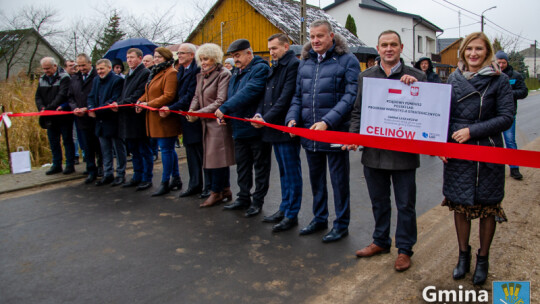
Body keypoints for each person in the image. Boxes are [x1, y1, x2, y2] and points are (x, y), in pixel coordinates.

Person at [347, 30, 426, 271]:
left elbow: (429, 111)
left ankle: (404, 249)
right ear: (378, 48)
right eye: (384, 45)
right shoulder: (367, 76)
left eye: (393, 44)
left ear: (401, 47)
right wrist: (353, 135)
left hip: (404, 153)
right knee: (379, 201)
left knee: (405, 204)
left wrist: (417, 90)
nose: (389, 48)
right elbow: (358, 110)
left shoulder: (418, 76)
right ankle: (380, 241)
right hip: (374, 152)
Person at [441, 32, 514, 285]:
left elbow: (506, 117)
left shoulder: (500, 80)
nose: (473, 54)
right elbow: (440, 115)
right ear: (462, 52)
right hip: (458, 151)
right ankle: (463, 256)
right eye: (469, 49)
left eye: (479, 49)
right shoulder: (452, 79)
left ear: (487, 53)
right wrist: (442, 143)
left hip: (488, 150)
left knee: (487, 207)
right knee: (460, 205)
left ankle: (483, 258)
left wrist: (473, 131)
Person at [285, 20, 359, 243]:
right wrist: (292, 117)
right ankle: (319, 219)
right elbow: (298, 96)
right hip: (310, 132)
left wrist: (328, 121)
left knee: (339, 182)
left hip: (335, 133)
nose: (315, 40)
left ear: (331, 36)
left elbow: (351, 96)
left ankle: (341, 224)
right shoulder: (305, 62)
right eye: (312, 36)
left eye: (320, 36)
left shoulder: (348, 61)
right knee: (316, 179)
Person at [252, 33, 302, 232]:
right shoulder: (275, 66)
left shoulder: (293, 65)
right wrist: (258, 114)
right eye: (270, 49)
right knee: (283, 173)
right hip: (273, 126)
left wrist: (266, 118)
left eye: (274, 48)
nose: (271, 52)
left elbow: (285, 97)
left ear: (286, 47)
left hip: (285, 127)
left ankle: (292, 214)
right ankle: (284, 208)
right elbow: (266, 95)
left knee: (292, 173)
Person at [215, 39, 271, 217]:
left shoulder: (260, 69)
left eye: (238, 55)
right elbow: (232, 95)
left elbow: (250, 91)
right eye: (233, 56)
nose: (235, 59)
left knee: (260, 167)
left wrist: (224, 109)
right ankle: (243, 197)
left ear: (249, 53)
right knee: (242, 166)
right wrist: (226, 115)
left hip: (255, 127)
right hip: (239, 127)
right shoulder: (237, 73)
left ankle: (257, 201)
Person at [187, 43, 235, 207]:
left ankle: (216, 192)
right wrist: (192, 110)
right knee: (213, 158)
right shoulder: (201, 75)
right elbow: (196, 96)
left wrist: (198, 113)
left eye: (206, 58)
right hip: (205, 123)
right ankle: (225, 189)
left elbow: (221, 100)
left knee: (217, 159)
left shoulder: (223, 74)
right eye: (201, 59)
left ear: (214, 58)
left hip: (217, 123)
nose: (204, 62)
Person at [162, 43, 210, 198]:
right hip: (184, 117)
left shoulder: (196, 70)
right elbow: (178, 94)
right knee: (190, 153)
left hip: (194, 116)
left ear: (191, 55)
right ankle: (194, 184)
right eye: (178, 53)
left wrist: (171, 108)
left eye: (182, 53)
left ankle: (206, 186)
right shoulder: (181, 70)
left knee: (200, 154)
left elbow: (190, 95)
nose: (179, 55)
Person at [136, 47, 181, 197]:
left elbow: (169, 95)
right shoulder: (155, 73)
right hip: (155, 117)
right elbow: (148, 92)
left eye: (159, 57)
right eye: (155, 57)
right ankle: (176, 178)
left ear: (167, 58)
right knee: (168, 150)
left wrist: (149, 104)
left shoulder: (171, 73)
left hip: (165, 118)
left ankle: (165, 182)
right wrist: (140, 101)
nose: (156, 59)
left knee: (166, 150)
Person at [115, 48, 153, 191]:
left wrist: (120, 104)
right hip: (127, 116)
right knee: (134, 149)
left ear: (139, 58)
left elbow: (138, 94)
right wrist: (118, 103)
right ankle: (137, 175)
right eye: (128, 57)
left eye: (132, 57)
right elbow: (124, 94)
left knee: (143, 149)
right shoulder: (128, 75)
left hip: (138, 117)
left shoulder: (144, 73)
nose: (129, 60)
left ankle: (146, 177)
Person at [87, 59, 125, 186]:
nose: (99, 72)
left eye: (102, 69)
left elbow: (114, 99)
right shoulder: (96, 80)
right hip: (100, 121)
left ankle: (120, 174)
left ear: (109, 67)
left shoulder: (117, 80)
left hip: (112, 120)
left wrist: (96, 111)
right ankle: (108, 173)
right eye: (98, 69)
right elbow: (91, 96)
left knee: (118, 148)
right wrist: (91, 107)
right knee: (105, 149)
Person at [35, 57, 75, 175]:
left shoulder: (64, 77)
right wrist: (41, 107)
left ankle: (70, 164)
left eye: (48, 68)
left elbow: (62, 95)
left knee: (67, 140)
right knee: (53, 141)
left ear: (55, 66)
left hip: (62, 114)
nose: (46, 71)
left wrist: (48, 108)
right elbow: (38, 96)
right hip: (49, 116)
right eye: (44, 69)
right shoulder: (42, 79)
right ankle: (56, 164)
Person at [69, 53, 103, 183]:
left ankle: (101, 167)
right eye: (79, 65)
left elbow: (99, 94)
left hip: (95, 116)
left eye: (83, 65)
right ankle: (91, 170)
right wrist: (75, 108)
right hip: (80, 117)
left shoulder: (97, 76)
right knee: (86, 146)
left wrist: (89, 108)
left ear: (90, 63)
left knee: (99, 144)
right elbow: (70, 96)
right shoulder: (75, 78)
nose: (81, 68)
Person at [495, 50, 528, 180]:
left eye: (503, 62)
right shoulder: (492, 75)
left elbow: (524, 92)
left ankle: (514, 168)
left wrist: (509, 94)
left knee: (509, 140)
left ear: (507, 62)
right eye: (499, 62)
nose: (501, 65)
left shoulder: (515, 75)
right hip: (493, 114)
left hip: (508, 114)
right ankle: (494, 170)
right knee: (494, 143)